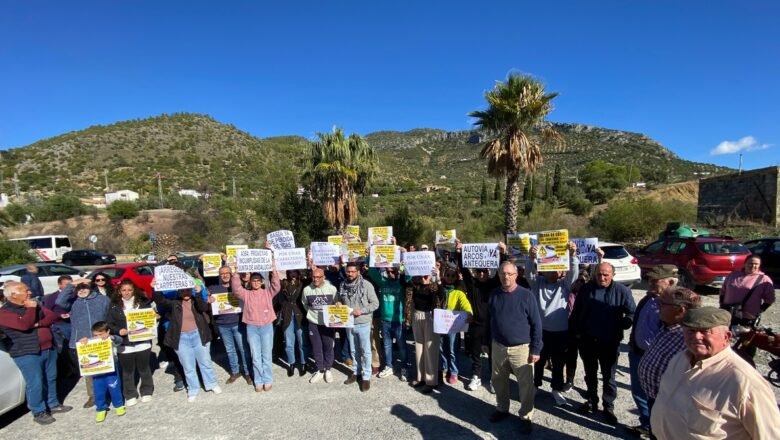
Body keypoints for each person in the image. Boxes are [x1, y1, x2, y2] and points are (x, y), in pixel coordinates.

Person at [650, 307, 780, 439]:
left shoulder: (745, 382)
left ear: (726, 337)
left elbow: (770, 436)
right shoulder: (680, 359)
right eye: (691, 330)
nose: (696, 336)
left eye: (705, 331)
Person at [569, 262, 636, 425]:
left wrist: (624, 323)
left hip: (609, 342)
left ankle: (608, 406)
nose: (602, 277)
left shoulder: (622, 291)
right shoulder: (586, 289)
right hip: (588, 340)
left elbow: (632, 312)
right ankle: (592, 400)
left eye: (606, 274)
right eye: (599, 274)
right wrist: (575, 332)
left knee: (609, 377)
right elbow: (576, 312)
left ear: (613, 275)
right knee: (590, 374)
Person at [0, 281, 72, 425]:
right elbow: (23, 325)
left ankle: (53, 403)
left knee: (50, 378)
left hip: (47, 348)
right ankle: (38, 411)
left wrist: (38, 323)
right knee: (35, 383)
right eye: (25, 291)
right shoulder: (4, 313)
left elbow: (51, 316)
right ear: (13, 294)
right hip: (27, 352)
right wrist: (32, 310)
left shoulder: (34, 304)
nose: (30, 292)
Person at [483, 261, 542, 434]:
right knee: (498, 380)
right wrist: (486, 341)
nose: (506, 277)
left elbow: (536, 324)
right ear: (499, 275)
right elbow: (489, 320)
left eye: (509, 273)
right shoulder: (494, 294)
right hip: (498, 346)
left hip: (521, 349)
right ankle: (502, 408)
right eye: (503, 273)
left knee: (526, 385)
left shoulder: (526, 295)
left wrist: (536, 349)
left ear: (516, 275)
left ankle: (526, 416)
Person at [525, 241, 578, 406]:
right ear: (543, 270)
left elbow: (573, 274)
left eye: (557, 269)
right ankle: (535, 385)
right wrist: (531, 258)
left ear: (561, 271)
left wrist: (572, 256)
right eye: (548, 268)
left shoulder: (565, 285)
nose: (553, 271)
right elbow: (529, 273)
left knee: (558, 362)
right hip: (541, 332)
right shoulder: (537, 283)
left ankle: (556, 389)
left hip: (561, 332)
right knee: (538, 361)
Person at [626, 264, 677, 436]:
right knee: (638, 392)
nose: (650, 284)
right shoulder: (647, 299)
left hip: (659, 360)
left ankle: (659, 430)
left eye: (655, 281)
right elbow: (637, 321)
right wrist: (632, 343)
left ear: (670, 282)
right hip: (638, 353)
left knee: (658, 396)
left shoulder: (675, 305)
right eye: (649, 280)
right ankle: (647, 424)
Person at [638, 287, 700, 423]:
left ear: (680, 310)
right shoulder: (668, 326)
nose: (658, 307)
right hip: (656, 399)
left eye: (662, 304)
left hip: (671, 407)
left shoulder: (689, 339)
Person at [153, 285, 221, 402]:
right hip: (182, 338)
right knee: (188, 366)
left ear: (191, 290)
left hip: (198, 335)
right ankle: (193, 388)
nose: (185, 293)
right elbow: (160, 301)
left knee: (205, 362)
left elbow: (203, 307)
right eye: (183, 290)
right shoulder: (174, 303)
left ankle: (212, 383)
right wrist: (155, 288)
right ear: (179, 291)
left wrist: (199, 294)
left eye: (188, 290)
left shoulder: (196, 301)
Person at [56, 278, 111, 408]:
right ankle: (93, 396)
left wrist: (108, 332)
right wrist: (71, 285)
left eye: (84, 287)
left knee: (106, 366)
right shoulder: (72, 302)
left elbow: (109, 315)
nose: (82, 290)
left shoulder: (102, 299)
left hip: (100, 339)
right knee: (89, 370)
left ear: (90, 287)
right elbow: (59, 301)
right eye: (79, 288)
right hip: (83, 341)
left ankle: (109, 392)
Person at [230, 268, 281, 392]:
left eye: (258, 280)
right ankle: (258, 380)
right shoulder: (246, 294)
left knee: (267, 355)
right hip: (252, 328)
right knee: (255, 355)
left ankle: (268, 379)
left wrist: (274, 272)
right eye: (253, 280)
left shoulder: (268, 292)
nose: (256, 282)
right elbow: (236, 289)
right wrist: (235, 274)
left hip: (266, 327)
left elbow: (276, 286)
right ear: (250, 282)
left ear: (262, 282)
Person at [106, 280, 155, 406]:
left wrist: (154, 317)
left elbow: (151, 317)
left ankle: (146, 390)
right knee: (127, 370)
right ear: (119, 291)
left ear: (134, 291)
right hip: (125, 343)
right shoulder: (114, 305)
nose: (127, 293)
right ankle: (130, 394)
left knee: (144, 368)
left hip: (142, 341)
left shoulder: (143, 303)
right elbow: (109, 323)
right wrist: (118, 330)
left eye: (129, 290)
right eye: (124, 290)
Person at [209, 266, 252, 385]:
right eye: (222, 273)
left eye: (227, 273)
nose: (225, 275)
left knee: (243, 349)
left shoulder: (238, 287)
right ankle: (235, 372)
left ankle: (247, 372)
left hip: (238, 323)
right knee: (230, 350)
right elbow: (203, 294)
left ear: (231, 274)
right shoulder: (213, 288)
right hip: (222, 325)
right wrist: (207, 297)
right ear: (219, 275)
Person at [340, 262, 379, 392]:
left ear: (358, 272)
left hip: (363, 322)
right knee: (353, 350)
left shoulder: (366, 285)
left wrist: (361, 311)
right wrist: (338, 302)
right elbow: (340, 299)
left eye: (352, 271)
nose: (350, 274)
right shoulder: (343, 285)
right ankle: (356, 372)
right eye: (348, 271)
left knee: (365, 351)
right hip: (349, 323)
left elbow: (375, 304)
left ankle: (366, 377)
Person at [366, 265, 408, 381]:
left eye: (393, 271)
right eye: (388, 272)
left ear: (397, 271)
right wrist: (369, 256)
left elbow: (409, 276)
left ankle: (404, 367)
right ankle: (389, 366)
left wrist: (401, 266)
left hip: (399, 320)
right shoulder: (383, 282)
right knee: (387, 345)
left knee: (402, 346)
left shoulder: (401, 282)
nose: (390, 274)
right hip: (385, 320)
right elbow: (371, 270)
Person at [404, 273, 444, 393]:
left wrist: (437, 279)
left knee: (430, 349)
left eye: (426, 275)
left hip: (431, 317)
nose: (423, 278)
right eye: (421, 275)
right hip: (417, 315)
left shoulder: (435, 286)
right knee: (419, 348)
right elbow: (405, 284)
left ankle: (431, 381)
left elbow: (442, 296)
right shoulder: (414, 284)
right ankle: (421, 377)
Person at [301, 268, 339, 383]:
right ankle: (320, 369)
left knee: (328, 346)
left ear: (324, 277)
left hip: (328, 323)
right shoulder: (307, 290)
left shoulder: (332, 289)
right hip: (313, 322)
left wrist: (338, 304)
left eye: (318, 277)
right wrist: (311, 314)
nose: (315, 279)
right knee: (316, 347)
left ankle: (328, 369)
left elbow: (337, 302)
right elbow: (305, 304)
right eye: (313, 277)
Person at [82, 321, 125, 423]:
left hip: (111, 369)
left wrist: (111, 337)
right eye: (95, 335)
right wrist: (83, 341)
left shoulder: (111, 339)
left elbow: (119, 340)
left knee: (114, 387)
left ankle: (119, 405)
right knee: (98, 391)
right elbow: (82, 347)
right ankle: (101, 409)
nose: (98, 337)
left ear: (107, 332)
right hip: (97, 372)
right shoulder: (91, 342)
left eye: (100, 334)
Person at [438, 263, 473, 386]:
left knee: (452, 350)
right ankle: (444, 368)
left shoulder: (458, 292)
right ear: (444, 276)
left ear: (456, 278)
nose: (450, 278)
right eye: (447, 275)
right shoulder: (440, 289)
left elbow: (465, 304)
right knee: (442, 348)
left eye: (452, 276)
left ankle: (454, 371)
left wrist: (469, 313)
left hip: (453, 325)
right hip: (440, 324)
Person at [719, 255, 774, 325]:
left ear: (759, 265)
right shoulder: (733, 275)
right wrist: (721, 304)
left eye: (756, 264)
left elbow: (770, 299)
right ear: (745, 263)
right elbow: (723, 291)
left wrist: (760, 310)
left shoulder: (764, 279)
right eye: (751, 263)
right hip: (727, 312)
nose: (753, 266)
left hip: (747, 316)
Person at [278, 270, 307, 377]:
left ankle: (303, 362)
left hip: (299, 314)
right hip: (287, 315)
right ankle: (292, 363)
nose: (293, 274)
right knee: (288, 342)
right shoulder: (283, 283)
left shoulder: (303, 283)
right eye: (290, 272)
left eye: (294, 272)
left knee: (301, 341)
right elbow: (278, 294)